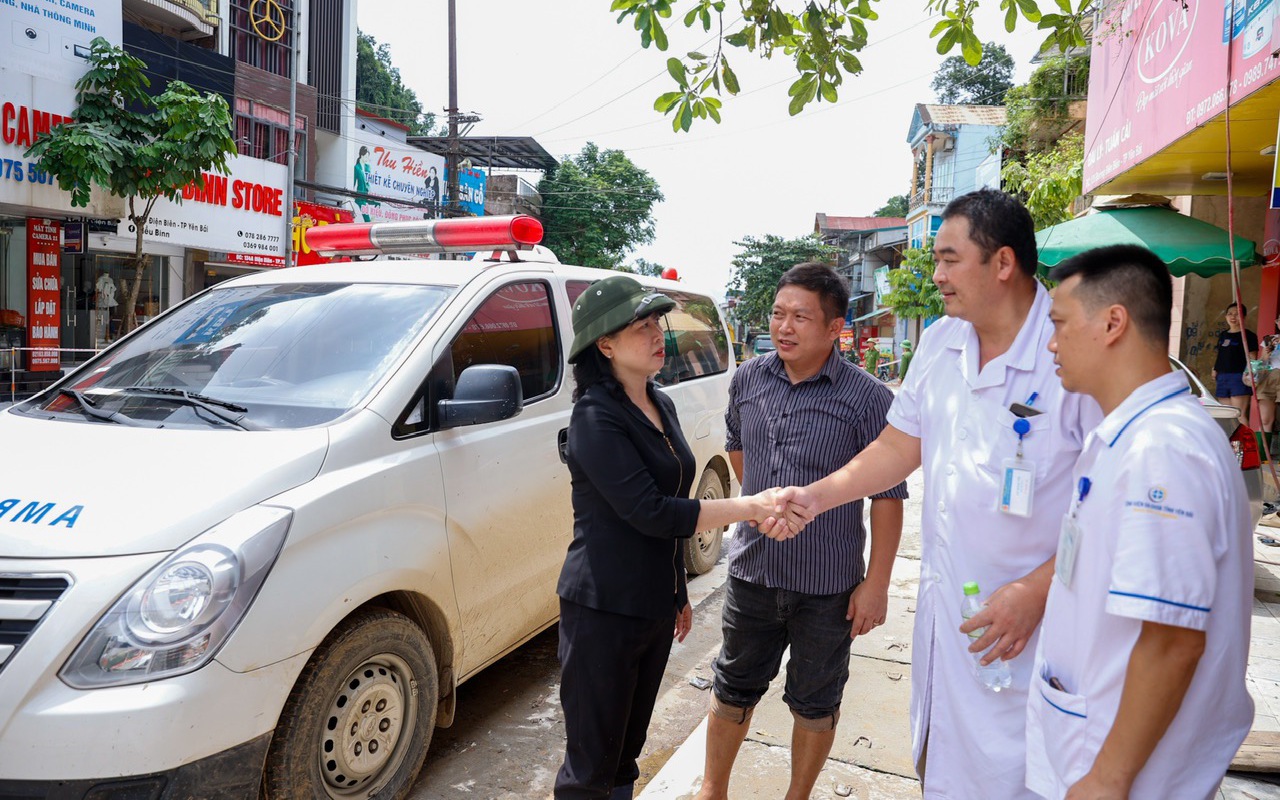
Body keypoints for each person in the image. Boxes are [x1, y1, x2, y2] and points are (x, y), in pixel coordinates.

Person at [768, 188, 1100, 799]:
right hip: (953, 622)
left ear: (1002, 263)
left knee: (1033, 779)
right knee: (944, 768)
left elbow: (1112, 512)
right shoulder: (941, 343)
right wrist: (815, 497)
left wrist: (1038, 588)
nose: (936, 274)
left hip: (1038, 631)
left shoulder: (1074, 353)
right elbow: (898, 448)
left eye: (949, 259)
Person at [1025, 244, 1252, 799]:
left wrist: (1109, 777)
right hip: (1096, 747)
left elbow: (1172, 640)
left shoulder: (1162, 449)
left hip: (1132, 775)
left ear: (1112, 322)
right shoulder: (1131, 436)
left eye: (1058, 324)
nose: (1051, 344)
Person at [555, 274, 794, 800]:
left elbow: (669, 505)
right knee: (590, 761)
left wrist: (676, 591)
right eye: (640, 326)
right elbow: (652, 513)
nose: (657, 334)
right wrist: (751, 507)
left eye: (656, 323)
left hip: (652, 609)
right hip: (603, 610)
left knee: (626, 750)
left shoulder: (659, 403)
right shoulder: (594, 416)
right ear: (606, 344)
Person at [694, 264, 907, 800]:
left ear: (835, 328)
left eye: (800, 317)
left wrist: (875, 584)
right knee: (733, 685)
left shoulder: (867, 398)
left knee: (815, 700)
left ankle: (798, 796)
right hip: (754, 570)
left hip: (828, 584)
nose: (784, 327)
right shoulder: (749, 378)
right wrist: (761, 508)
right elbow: (739, 449)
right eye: (778, 314)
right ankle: (713, 790)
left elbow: (888, 498)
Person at [1212, 301, 1258, 421]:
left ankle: (1244, 440)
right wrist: (1215, 369)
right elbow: (1220, 355)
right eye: (1230, 314)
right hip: (1222, 376)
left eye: (1237, 314)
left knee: (1239, 415)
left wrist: (1249, 374)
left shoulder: (1249, 335)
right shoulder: (1223, 335)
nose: (1233, 317)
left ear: (1244, 317)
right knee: (1227, 416)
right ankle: (1230, 440)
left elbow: (1252, 358)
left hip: (1239, 377)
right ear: (1226, 316)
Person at [1256, 315, 1280, 455]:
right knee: (1265, 418)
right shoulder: (1268, 339)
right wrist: (1265, 354)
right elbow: (1261, 363)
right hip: (1268, 377)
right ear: (1276, 322)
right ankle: (1262, 456)